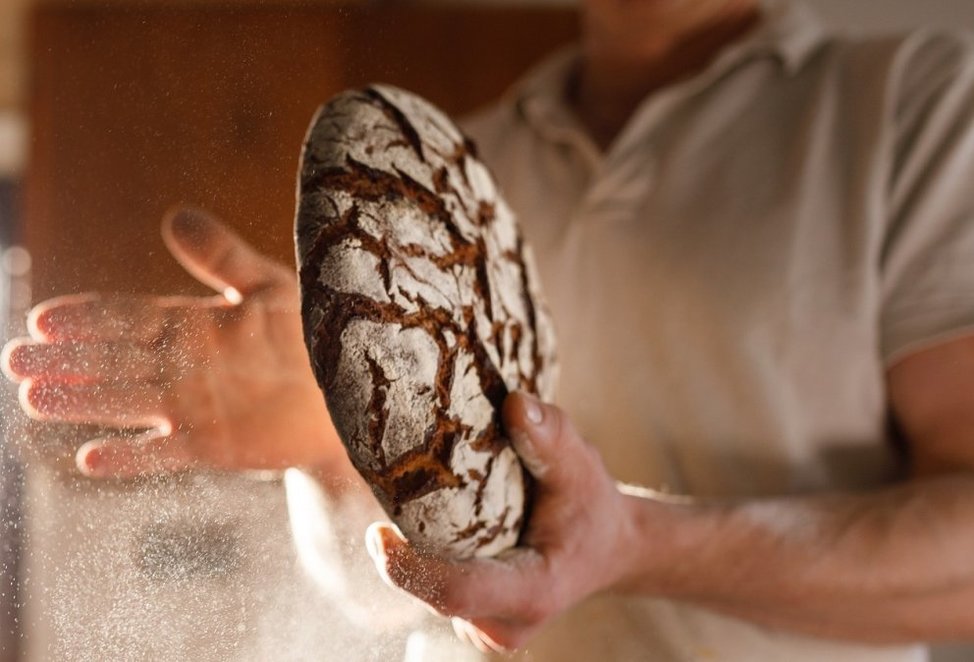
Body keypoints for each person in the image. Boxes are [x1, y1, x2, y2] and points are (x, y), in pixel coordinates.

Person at [6, 0, 974, 659]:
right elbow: (388, 590)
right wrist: (335, 450)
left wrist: (638, 540)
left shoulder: (917, 106)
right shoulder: (443, 168)